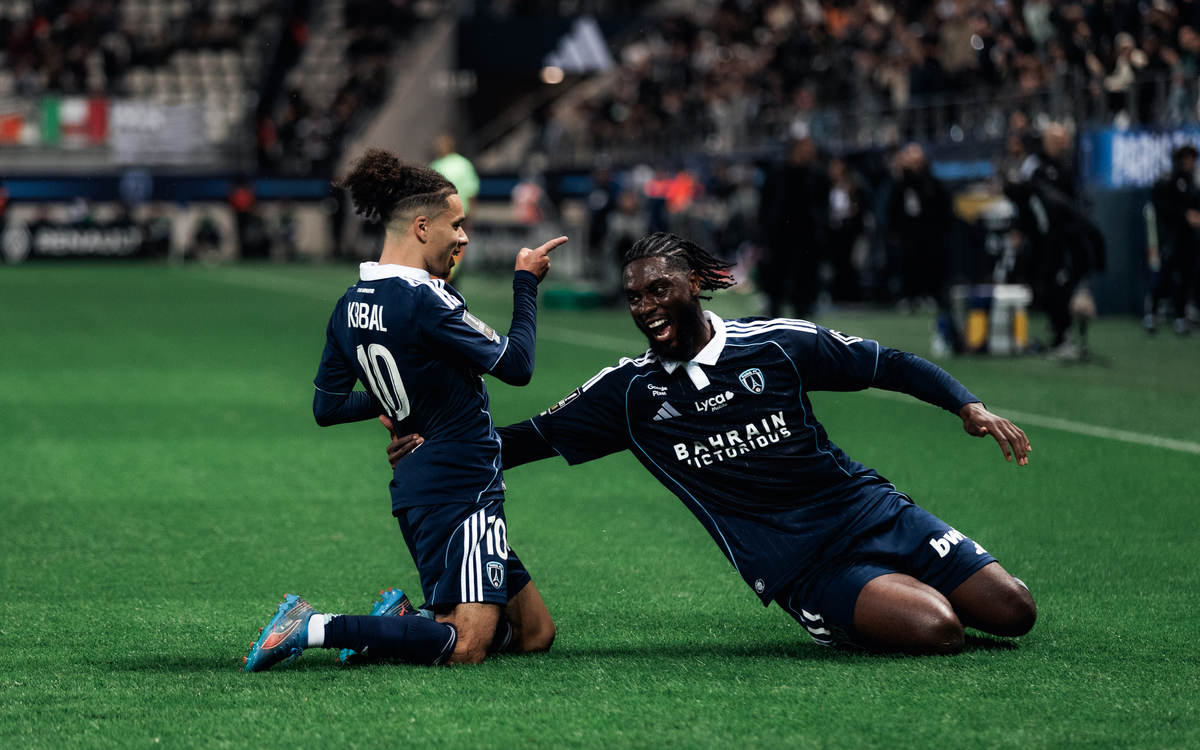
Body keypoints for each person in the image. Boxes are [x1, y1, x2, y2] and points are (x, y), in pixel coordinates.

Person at [387, 233, 1038, 655]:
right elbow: (525, 442)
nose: (646, 307)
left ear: (692, 285)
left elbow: (885, 364)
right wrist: (429, 445)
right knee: (939, 629)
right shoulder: (629, 395)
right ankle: (852, 607)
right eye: (635, 297)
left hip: (874, 512)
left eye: (659, 289)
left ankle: (903, 581)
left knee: (1014, 612)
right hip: (804, 565)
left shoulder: (774, 344)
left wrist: (967, 405)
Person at [242, 148, 565, 672]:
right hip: (463, 485)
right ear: (421, 227)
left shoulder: (350, 303)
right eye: (456, 225)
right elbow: (517, 364)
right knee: (465, 647)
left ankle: (400, 624)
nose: (464, 236)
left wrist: (402, 402)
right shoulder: (427, 300)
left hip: (420, 485)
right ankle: (314, 625)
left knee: (535, 634)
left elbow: (327, 407)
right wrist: (526, 282)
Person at [1148, 144, 1200, 335]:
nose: (1190, 162)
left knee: (1187, 277)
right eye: (1187, 158)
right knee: (1165, 275)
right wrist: (1185, 214)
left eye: (1193, 158)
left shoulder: (1192, 182)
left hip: (1189, 238)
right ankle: (1151, 315)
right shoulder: (1168, 180)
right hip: (1171, 237)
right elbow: (1162, 204)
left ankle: (1180, 318)